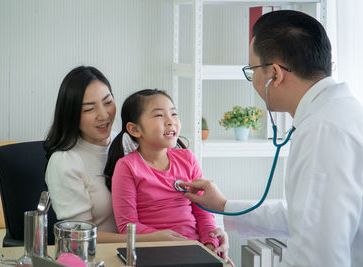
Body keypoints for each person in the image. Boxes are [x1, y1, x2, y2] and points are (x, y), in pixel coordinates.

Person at [180, 10, 363, 267]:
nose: (252, 79)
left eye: (252, 69)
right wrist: (223, 205)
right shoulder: (338, 113)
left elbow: (315, 258)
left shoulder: (323, 131)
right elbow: (303, 216)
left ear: (275, 74)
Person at [43, 66, 229, 249]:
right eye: (89, 109)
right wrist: (155, 239)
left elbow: (199, 208)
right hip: (110, 253)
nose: (103, 114)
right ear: (72, 115)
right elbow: (79, 235)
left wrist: (214, 236)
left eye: (108, 102)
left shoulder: (132, 141)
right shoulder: (65, 162)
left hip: (166, 245)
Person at [104, 89, 231, 262]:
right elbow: (127, 227)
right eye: (159, 116)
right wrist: (161, 238)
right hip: (152, 251)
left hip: (195, 250)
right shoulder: (127, 167)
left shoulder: (188, 159)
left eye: (174, 114)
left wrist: (209, 247)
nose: (171, 121)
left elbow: (204, 213)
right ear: (135, 129)